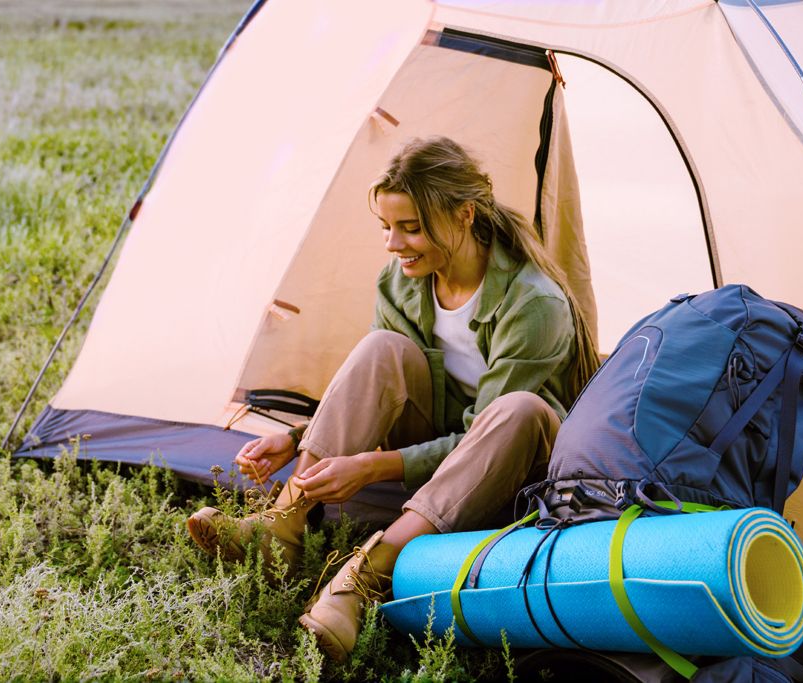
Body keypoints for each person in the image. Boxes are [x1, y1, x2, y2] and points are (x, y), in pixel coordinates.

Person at [186, 136, 599, 661]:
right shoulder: (401, 283)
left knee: (518, 409)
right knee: (382, 347)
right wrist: (296, 440)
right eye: (386, 226)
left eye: (411, 228)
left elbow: (485, 432)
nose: (393, 243)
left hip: (513, 467)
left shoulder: (533, 303)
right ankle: (282, 523)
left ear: (465, 215)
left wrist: (372, 466)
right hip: (433, 453)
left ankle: (367, 577)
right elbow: (376, 387)